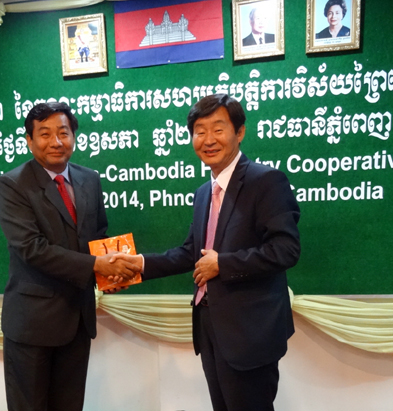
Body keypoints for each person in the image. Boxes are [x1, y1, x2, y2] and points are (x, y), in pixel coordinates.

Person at [114, 94, 301, 411]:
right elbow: (191, 253)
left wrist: (223, 264)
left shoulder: (266, 181)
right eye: (200, 131)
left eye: (218, 128)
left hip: (250, 333)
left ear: (239, 133)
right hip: (211, 326)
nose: (208, 139)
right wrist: (140, 265)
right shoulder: (204, 192)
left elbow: (286, 249)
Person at [0, 102, 140, 411]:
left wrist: (110, 270)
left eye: (63, 132)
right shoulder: (13, 184)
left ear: (73, 136)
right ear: (29, 141)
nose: (56, 142)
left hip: (78, 317)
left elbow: (98, 234)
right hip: (33, 323)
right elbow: (31, 249)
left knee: (70, 405)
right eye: (45, 134)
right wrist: (95, 266)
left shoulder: (89, 179)